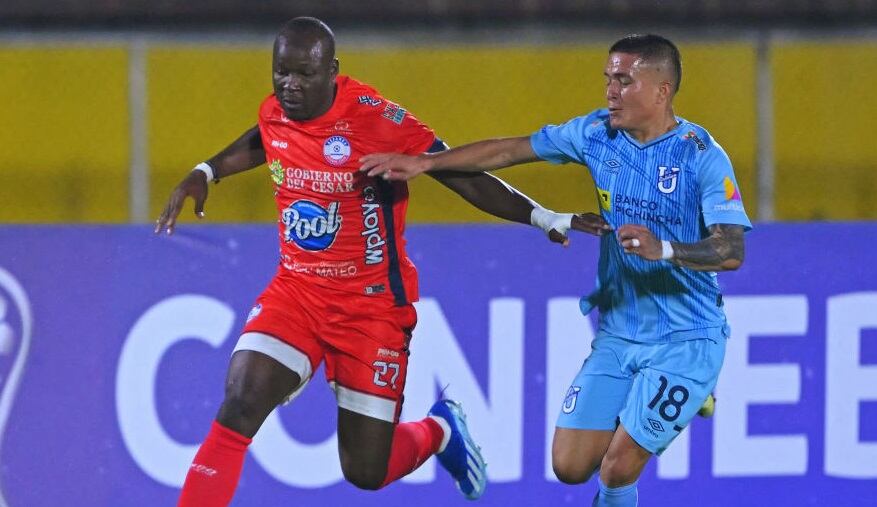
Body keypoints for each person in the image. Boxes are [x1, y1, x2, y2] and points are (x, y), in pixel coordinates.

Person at [154, 17, 609, 507]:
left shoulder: (377, 121)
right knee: (239, 403)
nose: (289, 85)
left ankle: (438, 431)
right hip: (297, 293)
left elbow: (458, 173)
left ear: (332, 71)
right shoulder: (278, 110)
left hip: (370, 309)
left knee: (366, 471)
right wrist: (206, 170)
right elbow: (265, 135)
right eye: (280, 73)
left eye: (303, 75)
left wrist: (540, 216)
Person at [361, 34, 751, 506]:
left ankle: (688, 390)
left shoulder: (702, 156)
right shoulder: (596, 135)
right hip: (620, 333)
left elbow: (730, 250)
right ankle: (680, 402)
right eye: (608, 78)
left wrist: (664, 249)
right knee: (569, 466)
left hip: (686, 339)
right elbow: (509, 150)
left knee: (617, 466)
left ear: (661, 90)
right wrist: (426, 163)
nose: (610, 90)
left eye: (624, 81)